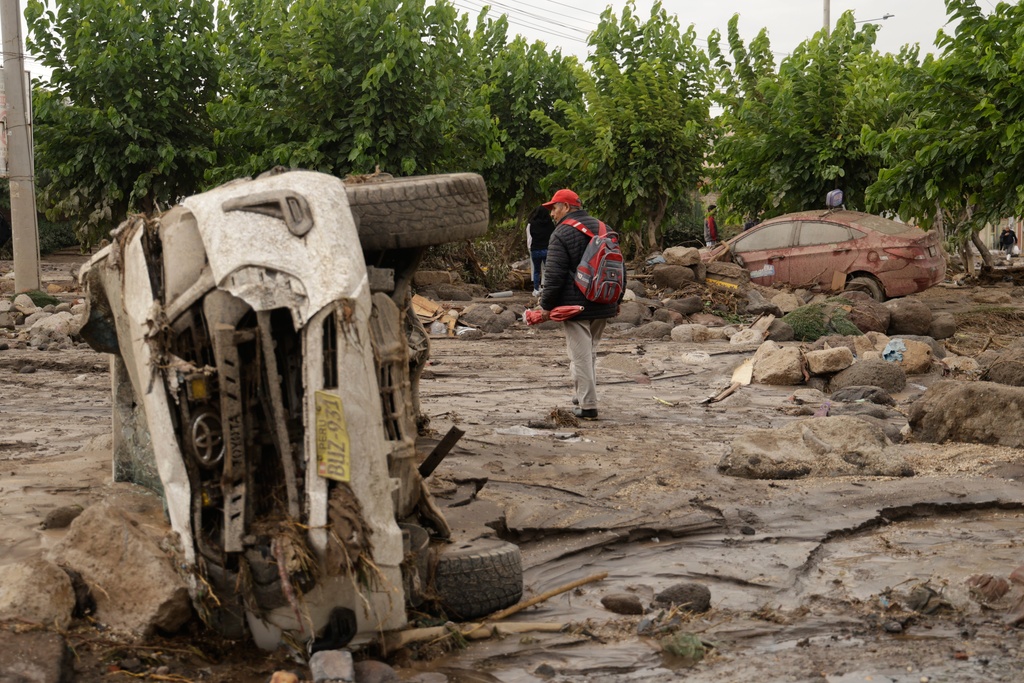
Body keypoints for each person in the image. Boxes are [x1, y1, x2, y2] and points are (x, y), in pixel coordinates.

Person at [538, 189, 623, 420]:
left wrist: (545, 306)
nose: (552, 214)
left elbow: (553, 276)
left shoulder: (562, 233)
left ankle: (588, 406)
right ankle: (581, 395)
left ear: (566, 207)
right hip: (604, 300)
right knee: (588, 352)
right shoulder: (605, 228)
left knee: (581, 356)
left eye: (554, 208)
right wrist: (617, 300)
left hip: (575, 306)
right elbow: (619, 268)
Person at [526, 205, 556, 297]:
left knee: (536, 270)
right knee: (547, 270)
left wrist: (530, 248)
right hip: (547, 249)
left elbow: (530, 237)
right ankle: (546, 288)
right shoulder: (550, 224)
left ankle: (536, 289)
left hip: (535, 250)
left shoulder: (531, 224)